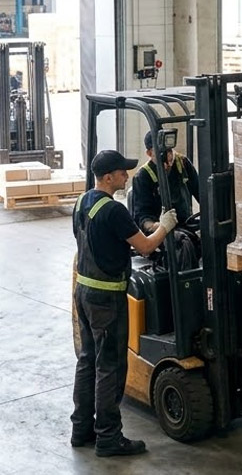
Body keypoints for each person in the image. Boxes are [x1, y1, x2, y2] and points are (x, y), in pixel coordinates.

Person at [71, 149, 178, 457]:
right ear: (108, 177)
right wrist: (165, 226)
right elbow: (145, 247)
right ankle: (108, 437)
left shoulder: (82, 202)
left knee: (88, 360)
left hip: (84, 292)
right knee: (111, 367)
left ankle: (82, 429)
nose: (127, 176)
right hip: (107, 299)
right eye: (121, 172)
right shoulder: (114, 210)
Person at [130, 131, 201, 270]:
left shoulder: (183, 163)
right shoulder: (143, 177)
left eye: (169, 151)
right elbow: (143, 218)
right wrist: (163, 226)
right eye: (161, 153)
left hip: (185, 223)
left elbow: (202, 194)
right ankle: (186, 281)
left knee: (214, 234)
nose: (168, 157)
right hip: (160, 230)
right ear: (149, 153)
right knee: (182, 243)